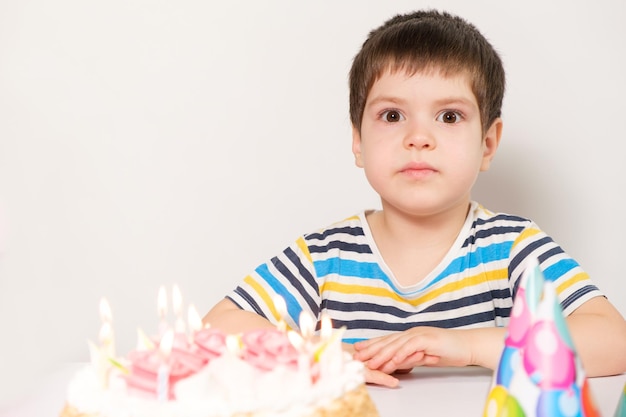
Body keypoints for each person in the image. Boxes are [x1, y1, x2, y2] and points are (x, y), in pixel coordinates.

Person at [203, 9, 626, 387]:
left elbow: (613, 342)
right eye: (392, 116)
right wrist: (326, 355)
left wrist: (467, 347)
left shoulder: (512, 247)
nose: (418, 138)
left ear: (488, 144)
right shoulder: (323, 257)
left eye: (449, 116)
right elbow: (215, 329)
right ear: (358, 142)